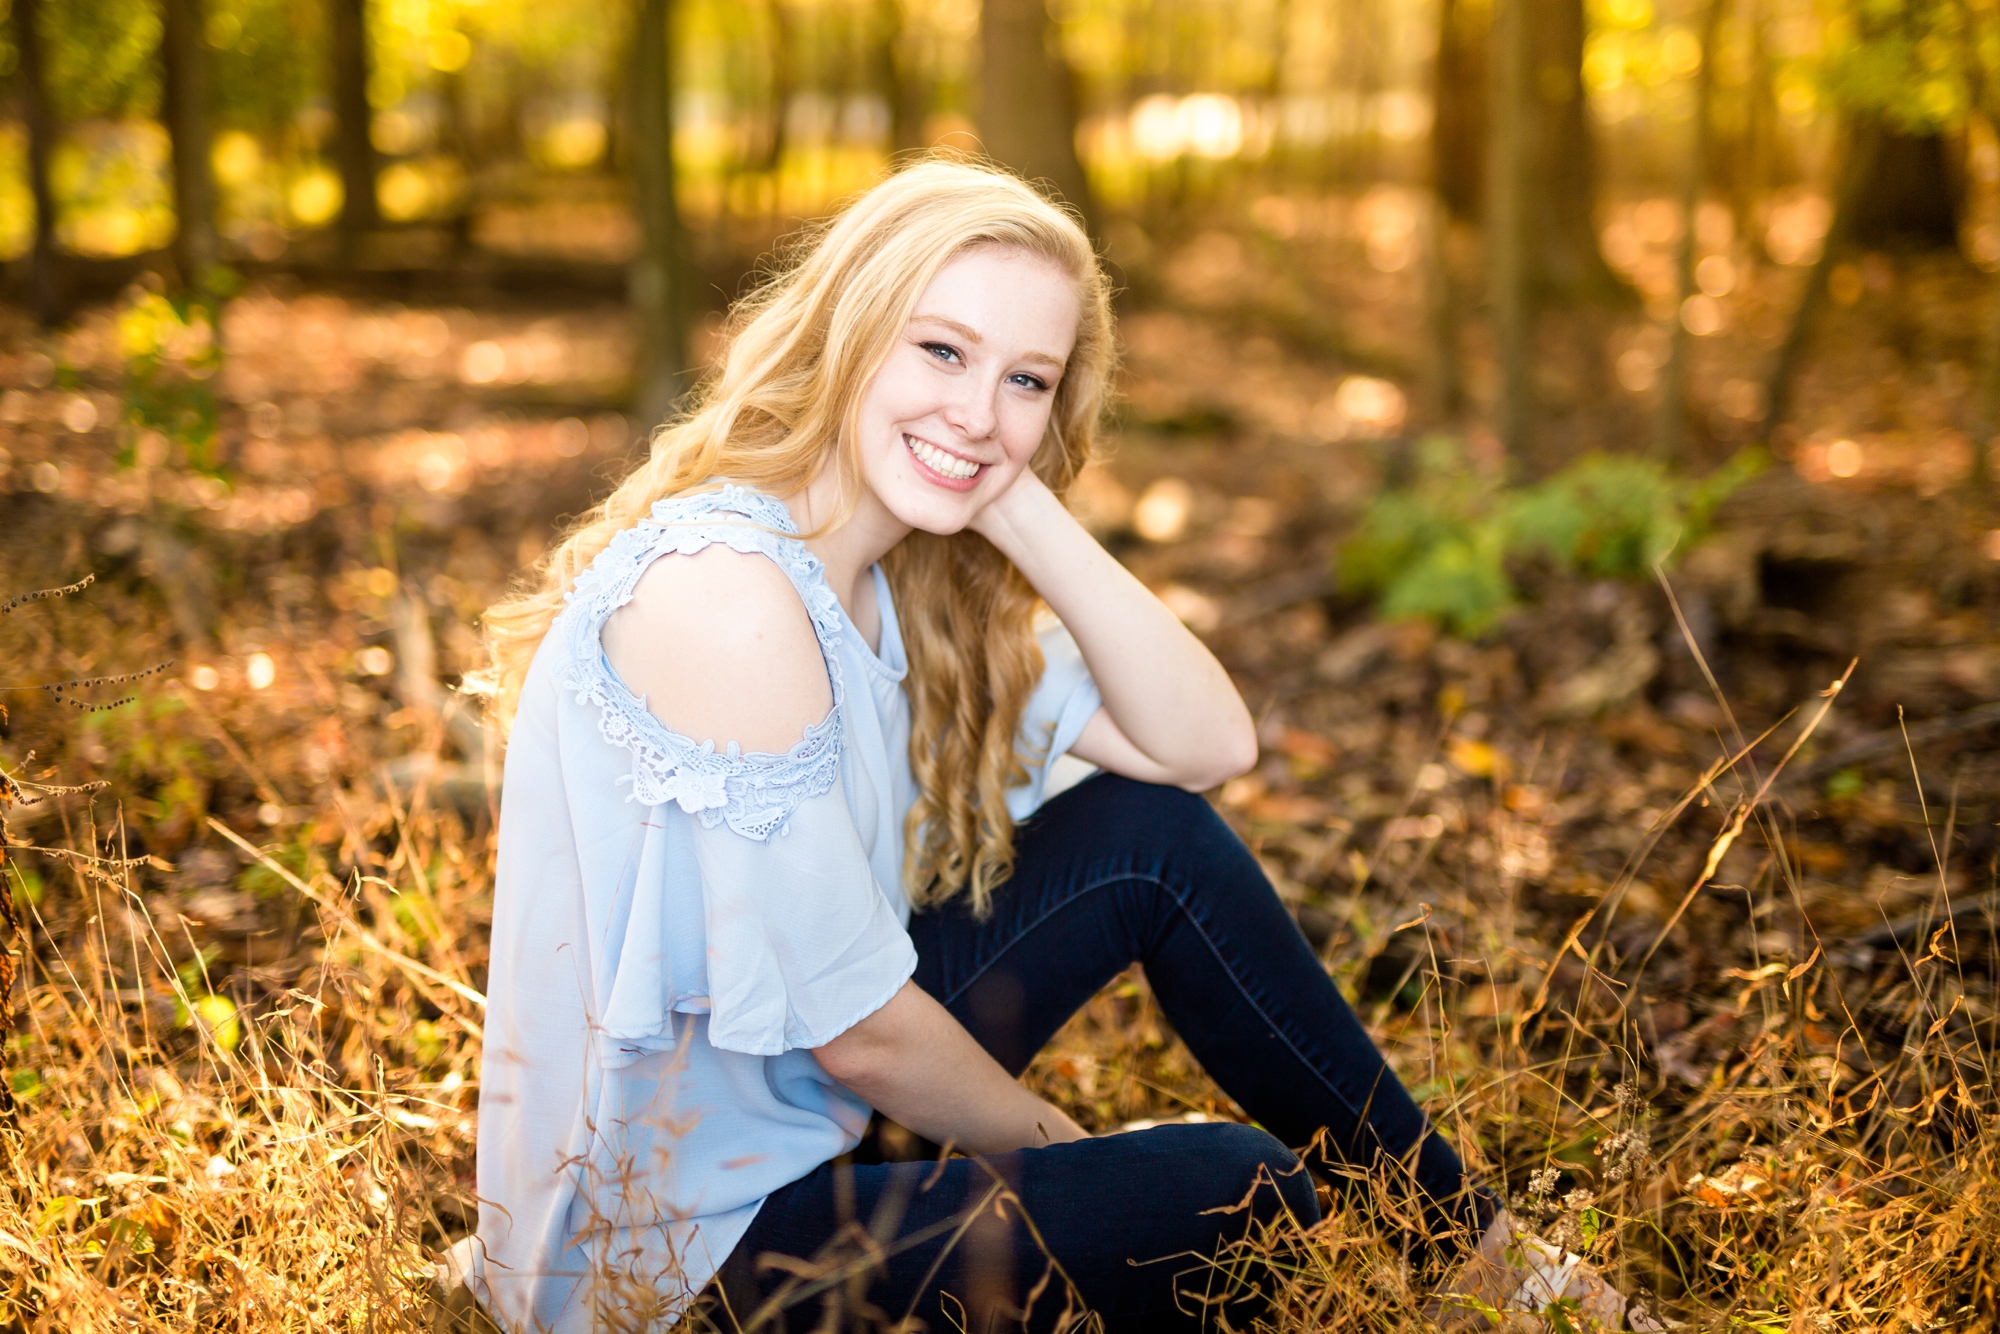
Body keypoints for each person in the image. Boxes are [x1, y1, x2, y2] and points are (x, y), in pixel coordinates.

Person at [460, 157, 1649, 1333]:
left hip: (798, 1129)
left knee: (1151, 839)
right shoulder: (732, 592)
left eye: (1025, 378)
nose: (976, 408)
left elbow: (1200, 745)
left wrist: (1006, 492)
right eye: (940, 351)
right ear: (850, 328)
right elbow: (859, 1032)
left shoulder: (897, 585)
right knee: (1236, 1190)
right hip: (669, 1253)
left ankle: (1478, 1248)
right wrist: (1075, 1168)